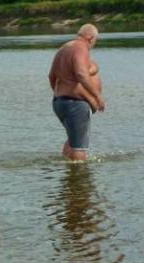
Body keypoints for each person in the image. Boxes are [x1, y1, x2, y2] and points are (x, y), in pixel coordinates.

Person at [48, 24, 105, 161]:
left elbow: (51, 76)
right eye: (95, 41)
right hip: (75, 104)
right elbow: (81, 74)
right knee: (79, 148)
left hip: (60, 102)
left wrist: (60, 93)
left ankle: (69, 176)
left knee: (73, 141)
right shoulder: (81, 48)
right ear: (91, 38)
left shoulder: (64, 48)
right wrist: (97, 96)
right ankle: (79, 178)